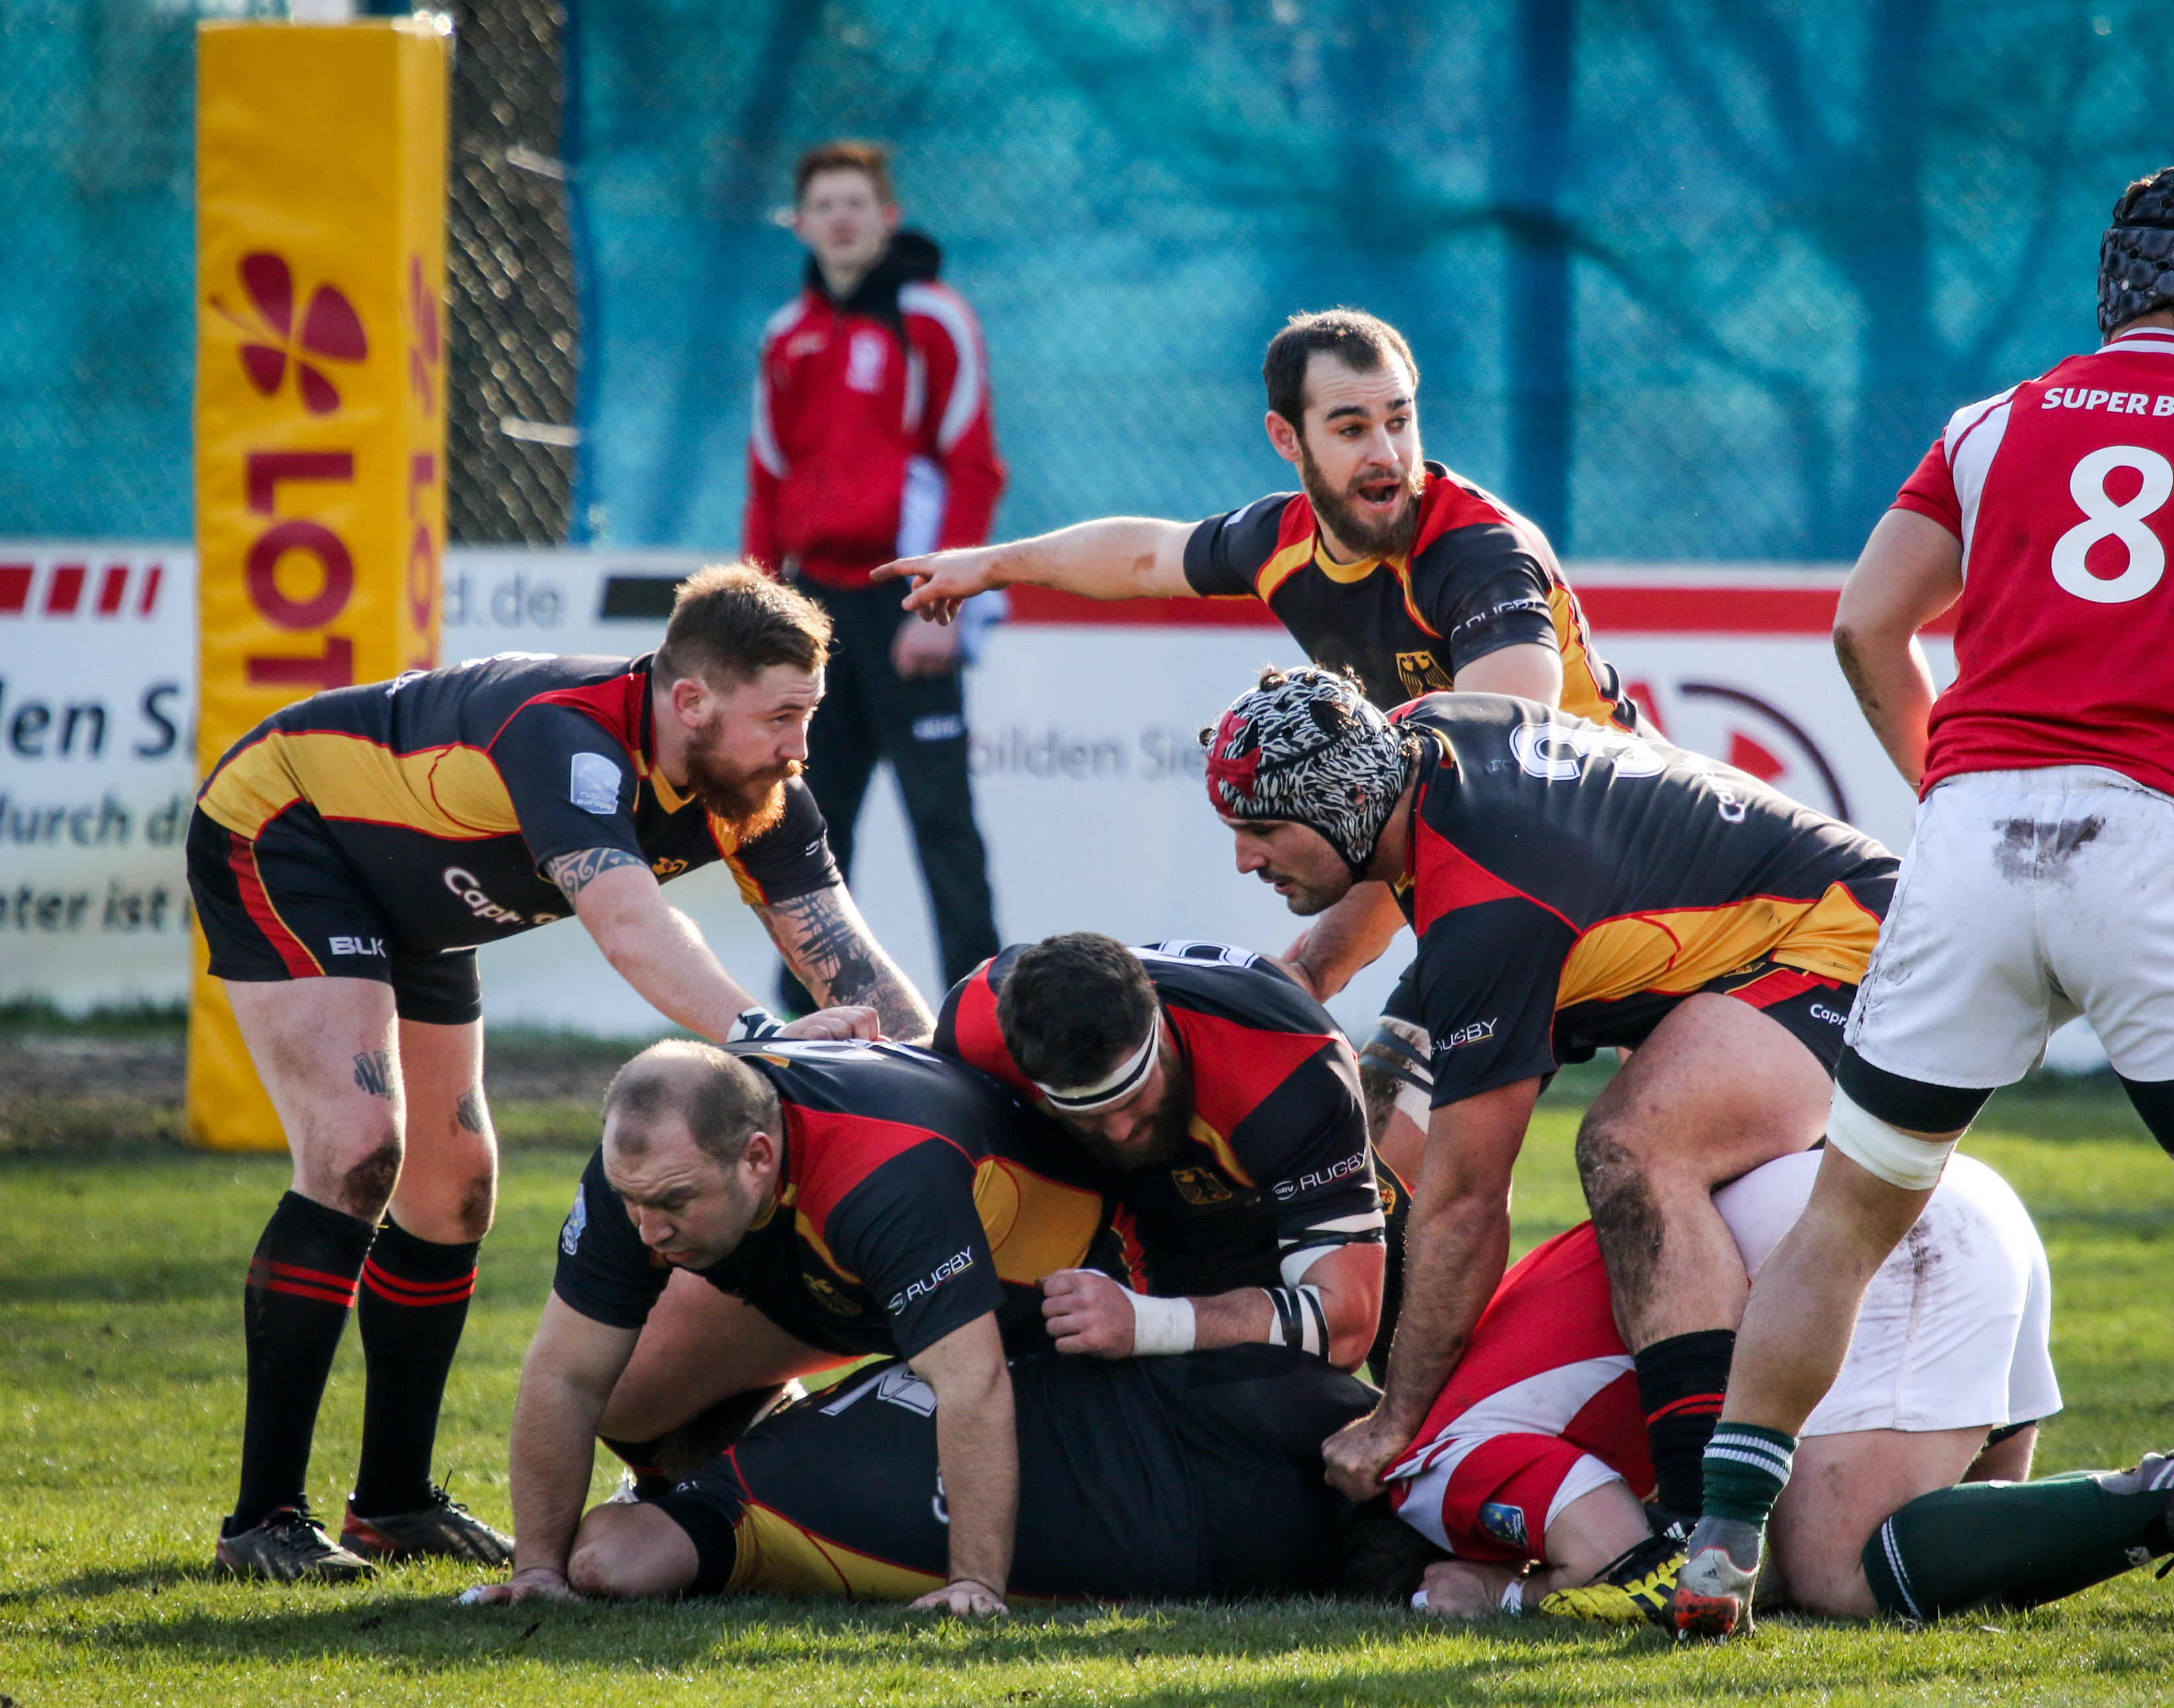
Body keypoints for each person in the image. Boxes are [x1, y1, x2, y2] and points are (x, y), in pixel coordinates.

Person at [1673, 159, 2174, 1654]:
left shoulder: (1991, 423)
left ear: (2111, 278)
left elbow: (1864, 621)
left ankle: (1717, 1545)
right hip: (2158, 850)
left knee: (1846, 1216)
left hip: (1973, 845)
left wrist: (1952, 787)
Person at [186, 564, 926, 1582]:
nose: (801, 746)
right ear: (691, 701)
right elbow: (629, 925)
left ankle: (393, 1503)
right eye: (782, 717)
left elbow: (844, 954)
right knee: (356, 1151)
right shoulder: (568, 735)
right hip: (286, 828)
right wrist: (763, 1033)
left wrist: (941, 1086)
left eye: (809, 714)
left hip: (412, 893)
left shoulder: (756, 788)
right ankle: (261, 1518)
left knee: (456, 1191)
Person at [881, 308, 1645, 1180]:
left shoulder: (1477, 553)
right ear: (1288, 438)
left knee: (1632, 1149)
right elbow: (1146, 556)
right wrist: (992, 564)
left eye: (1399, 420)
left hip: (1621, 867)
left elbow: (1494, 770)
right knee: (1395, 1161)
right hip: (1502, 880)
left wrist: (1326, 953)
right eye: (1351, 428)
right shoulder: (1283, 543)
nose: (1386, 454)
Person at [1197, 666, 1901, 1592]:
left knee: (1633, 1145)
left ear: (1349, 803)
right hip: (1724, 921)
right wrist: (1307, 982)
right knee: (1384, 1139)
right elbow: (1383, 874)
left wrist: (1395, 1422)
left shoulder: (1487, 909)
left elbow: (1469, 1204)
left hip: (1846, 941)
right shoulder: (1409, 739)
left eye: (1262, 829)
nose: (1243, 859)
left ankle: (1699, 1523)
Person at [1391, 1150, 2174, 1632]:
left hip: (1878, 1245)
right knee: (1958, 1557)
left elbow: (1646, 1567)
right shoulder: (1477, 1370)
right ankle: (2173, 1500)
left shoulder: (1430, 1467)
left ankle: (2172, 1491)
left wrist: (1502, 1594)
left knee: (1834, 1573)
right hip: (1926, 1200)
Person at [464, 1036, 1121, 1617]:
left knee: (953, 1394)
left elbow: (971, 1382)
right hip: (849, 1276)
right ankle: (723, 1465)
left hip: (1057, 1292)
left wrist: (973, 1582)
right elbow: (565, 1373)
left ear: (757, 1157)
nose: (649, 1229)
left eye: (673, 1202)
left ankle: (756, 1482)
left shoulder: (881, 1173)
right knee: (626, 1386)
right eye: (630, 1199)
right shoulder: (647, 1167)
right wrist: (538, 1571)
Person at [746, 138, 1006, 995]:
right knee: (809, 821)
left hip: (910, 600)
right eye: (824, 205)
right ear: (799, 223)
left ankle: (982, 1012)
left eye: (856, 202)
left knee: (942, 818)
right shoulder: (786, 336)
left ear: (887, 217)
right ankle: (810, 1017)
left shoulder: (933, 318)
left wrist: (942, 603)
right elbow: (768, 479)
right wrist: (760, 617)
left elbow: (974, 467)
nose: (841, 219)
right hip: (814, 611)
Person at [540, 1345, 1375, 1604]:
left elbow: (605, 1559)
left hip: (1175, 1420)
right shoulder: (739, 1497)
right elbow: (606, 1563)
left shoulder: (769, 1469)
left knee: (1402, 1448)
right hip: (1188, 1518)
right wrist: (648, 1498)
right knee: (1399, 1499)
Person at [936, 933, 1392, 1373]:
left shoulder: (1292, 1075)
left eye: (1133, 1097)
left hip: (1244, 1207)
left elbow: (1347, 1328)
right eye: (1088, 1113)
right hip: (1089, 1190)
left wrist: (1149, 1325)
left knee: (1284, 1388)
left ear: (1159, 1034)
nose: (1120, 1130)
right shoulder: (978, 1028)